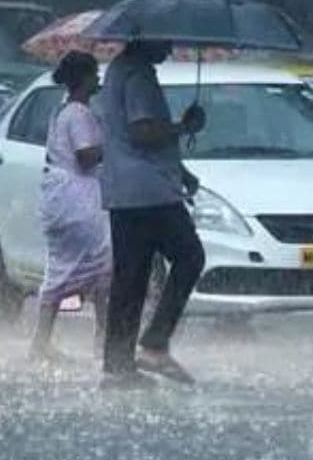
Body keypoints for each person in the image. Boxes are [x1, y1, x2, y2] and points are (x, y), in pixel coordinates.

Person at [98, 39, 207, 386]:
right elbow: (142, 131)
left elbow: (126, 136)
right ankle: (156, 343)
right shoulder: (139, 75)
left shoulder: (117, 70)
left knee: (130, 278)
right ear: (145, 37)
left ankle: (117, 363)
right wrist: (184, 127)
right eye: (164, 40)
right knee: (190, 256)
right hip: (150, 191)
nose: (169, 48)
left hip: (124, 190)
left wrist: (181, 171)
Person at [31, 51, 112, 363]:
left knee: (60, 270)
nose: (99, 79)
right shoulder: (78, 113)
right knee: (105, 266)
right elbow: (86, 157)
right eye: (94, 74)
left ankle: (41, 341)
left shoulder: (61, 111)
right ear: (84, 79)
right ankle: (103, 339)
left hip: (61, 200)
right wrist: (113, 144)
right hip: (78, 201)